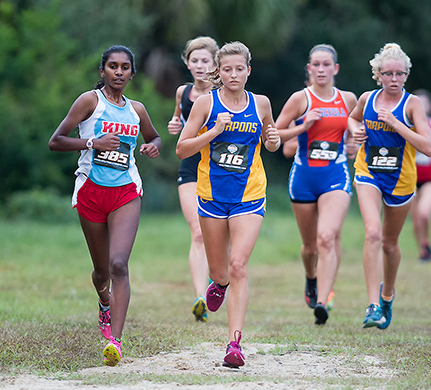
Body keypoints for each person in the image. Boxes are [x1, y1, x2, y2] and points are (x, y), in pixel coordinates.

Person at [48, 45, 162, 366]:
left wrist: (152, 147)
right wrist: (92, 143)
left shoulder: (137, 110)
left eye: (125, 67)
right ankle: (104, 302)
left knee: (118, 265)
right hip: (91, 193)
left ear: (132, 74)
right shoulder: (89, 102)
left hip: (125, 192)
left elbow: (154, 138)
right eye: (113, 66)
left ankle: (115, 341)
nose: (119, 72)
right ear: (103, 71)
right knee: (101, 273)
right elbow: (55, 141)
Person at [175, 41, 280, 368]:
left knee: (239, 266)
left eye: (240, 68)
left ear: (248, 70)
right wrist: (213, 132)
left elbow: (270, 140)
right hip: (211, 196)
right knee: (221, 271)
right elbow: (182, 149)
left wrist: (273, 141)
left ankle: (234, 344)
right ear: (218, 72)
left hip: (250, 194)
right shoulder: (205, 104)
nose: (234, 74)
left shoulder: (261, 103)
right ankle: (217, 283)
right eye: (227, 69)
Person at [348, 43, 431, 329]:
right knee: (372, 232)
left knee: (389, 243)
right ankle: (373, 306)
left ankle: (387, 295)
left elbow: (428, 147)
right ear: (378, 75)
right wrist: (355, 131)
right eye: (388, 74)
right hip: (368, 172)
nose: (394, 79)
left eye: (400, 74)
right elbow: (353, 117)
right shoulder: (367, 98)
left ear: (407, 75)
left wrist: (396, 123)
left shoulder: (412, 104)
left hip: (401, 180)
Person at [275, 44, 357, 325]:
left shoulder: (348, 99)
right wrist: (303, 126)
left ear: (336, 69)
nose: (321, 70)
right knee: (310, 246)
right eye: (316, 65)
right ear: (309, 69)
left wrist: (353, 145)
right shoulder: (300, 98)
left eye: (326, 65)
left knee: (327, 237)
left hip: (335, 175)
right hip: (303, 178)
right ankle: (311, 278)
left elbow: (358, 132)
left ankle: (322, 301)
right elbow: (273, 134)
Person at [167, 36, 219, 323]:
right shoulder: (182, 92)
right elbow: (179, 123)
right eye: (195, 61)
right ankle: (200, 296)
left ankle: (217, 281)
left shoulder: (223, 93)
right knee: (197, 231)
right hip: (190, 167)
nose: (200, 66)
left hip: (219, 169)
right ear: (187, 63)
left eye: (205, 61)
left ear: (215, 64)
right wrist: (175, 124)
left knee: (218, 232)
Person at [409, 89, 431, 262]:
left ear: (429, 106)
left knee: (424, 213)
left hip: (430, 178)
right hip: (410, 178)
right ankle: (423, 250)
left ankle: (427, 243)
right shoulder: (404, 124)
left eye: (424, 103)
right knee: (415, 220)